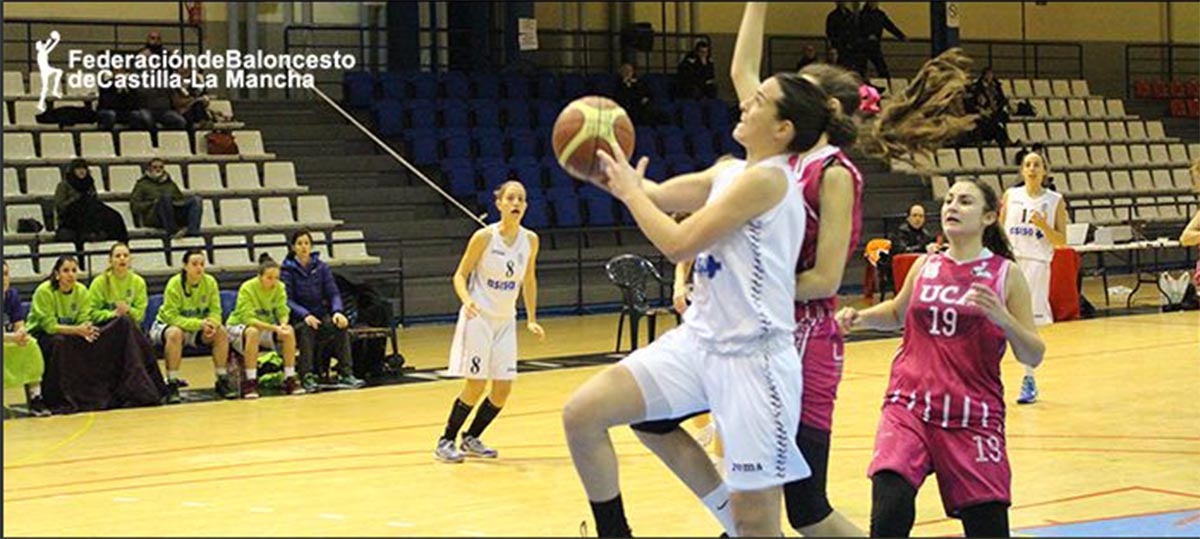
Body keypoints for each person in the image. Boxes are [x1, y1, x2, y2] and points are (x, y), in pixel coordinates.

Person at [611, 5, 981, 537]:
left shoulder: (832, 172)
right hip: (748, 337)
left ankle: (739, 524)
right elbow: (742, 71)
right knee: (655, 420)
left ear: (817, 109)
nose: (764, 95)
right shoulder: (776, 159)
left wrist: (745, 292)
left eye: (787, 92)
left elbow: (825, 279)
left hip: (801, 341)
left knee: (807, 510)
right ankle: (735, 523)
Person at [563, 4, 848, 528]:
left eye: (758, 101)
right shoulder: (728, 170)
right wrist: (605, 166)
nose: (744, 103)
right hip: (698, 343)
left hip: (754, 363)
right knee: (582, 414)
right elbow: (655, 192)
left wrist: (630, 192)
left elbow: (676, 242)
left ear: (783, 129)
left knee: (760, 524)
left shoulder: (773, 181)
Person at [836, 177, 1045, 538]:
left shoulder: (1005, 275)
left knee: (989, 529)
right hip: (910, 405)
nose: (951, 206)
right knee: (889, 511)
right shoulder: (924, 266)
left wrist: (1003, 318)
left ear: (988, 217)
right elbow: (898, 314)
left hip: (972, 415)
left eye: (965, 201)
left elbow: (1033, 353)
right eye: (949, 200)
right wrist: (859, 318)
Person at [435, 181, 545, 463]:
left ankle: (471, 437)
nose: (516, 203)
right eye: (510, 198)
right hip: (479, 318)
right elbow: (459, 275)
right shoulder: (484, 237)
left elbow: (529, 279)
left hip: (506, 320)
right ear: (499, 204)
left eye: (521, 198)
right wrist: (467, 300)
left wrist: (531, 318)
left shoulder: (530, 240)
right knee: (475, 384)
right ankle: (446, 440)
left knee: (503, 388)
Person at [26, 256, 165, 414]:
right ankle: (55, 397)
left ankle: (89, 393)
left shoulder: (82, 291)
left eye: (73, 270)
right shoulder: (45, 291)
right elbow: (49, 327)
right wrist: (79, 330)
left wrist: (86, 330)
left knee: (91, 341)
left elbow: (84, 319)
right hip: (41, 335)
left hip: (71, 332)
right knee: (59, 342)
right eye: (65, 271)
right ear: (57, 274)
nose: (70, 275)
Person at [1000, 150, 1066, 405]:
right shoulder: (1011, 196)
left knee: (1028, 325)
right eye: (1027, 164)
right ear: (1022, 170)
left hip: (1038, 265)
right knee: (996, 320)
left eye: (1037, 164)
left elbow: (1062, 241)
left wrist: (1044, 227)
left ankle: (1029, 379)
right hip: (1012, 264)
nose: (1032, 168)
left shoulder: (1055, 200)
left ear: (1044, 171)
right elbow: (999, 231)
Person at [280, 230, 363, 392]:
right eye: (299, 243)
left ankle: (346, 373)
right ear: (293, 247)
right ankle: (307, 375)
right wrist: (305, 315)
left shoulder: (321, 267)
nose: (303, 247)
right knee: (307, 329)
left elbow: (333, 293)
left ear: (311, 246)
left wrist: (338, 311)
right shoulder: (287, 270)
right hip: (299, 318)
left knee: (340, 325)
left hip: (320, 314)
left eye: (306, 243)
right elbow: (287, 300)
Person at [151, 249, 236, 400]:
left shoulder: (210, 282)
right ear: (185, 266)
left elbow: (216, 311)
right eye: (194, 264)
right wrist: (199, 323)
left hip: (198, 328)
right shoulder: (174, 283)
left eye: (202, 264)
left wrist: (212, 324)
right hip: (165, 326)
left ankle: (222, 379)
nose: (199, 268)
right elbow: (171, 317)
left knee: (221, 331)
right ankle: (172, 382)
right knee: (175, 333)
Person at [226, 254, 304, 399]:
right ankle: (250, 381)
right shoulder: (247, 288)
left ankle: (290, 378)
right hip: (238, 326)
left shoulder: (280, 287)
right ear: (259, 276)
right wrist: (275, 328)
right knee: (253, 332)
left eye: (276, 278)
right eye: (269, 278)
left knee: (289, 332)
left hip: (265, 327)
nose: (273, 282)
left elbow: (283, 310)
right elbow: (248, 319)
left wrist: (283, 324)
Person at [3, 261, 50, 417]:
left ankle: (36, 397)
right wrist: (13, 337)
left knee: (31, 344)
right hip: (7, 340)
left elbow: (19, 324)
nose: (3, 279)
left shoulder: (12, 295)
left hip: (8, 341)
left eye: (5, 274)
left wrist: (21, 333)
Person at [54, 158, 129, 246]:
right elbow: (60, 206)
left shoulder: (89, 183)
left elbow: (95, 201)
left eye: (84, 168)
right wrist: (77, 199)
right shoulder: (64, 185)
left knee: (114, 216)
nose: (81, 171)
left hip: (89, 215)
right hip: (71, 218)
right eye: (78, 169)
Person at [130, 158, 203, 238]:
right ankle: (173, 232)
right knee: (165, 198)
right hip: (154, 216)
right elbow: (135, 206)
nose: (158, 169)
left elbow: (180, 200)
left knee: (196, 200)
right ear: (149, 169)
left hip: (173, 211)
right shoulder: (142, 185)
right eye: (155, 167)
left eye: (161, 167)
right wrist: (153, 203)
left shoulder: (170, 184)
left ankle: (192, 233)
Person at [857, 1, 907, 78]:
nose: (874, 3)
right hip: (863, 45)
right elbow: (856, 29)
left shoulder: (880, 15)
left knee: (882, 68)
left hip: (875, 45)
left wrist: (901, 36)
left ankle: (886, 83)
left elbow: (890, 26)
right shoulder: (861, 15)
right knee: (861, 68)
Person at [825, 2, 859, 72]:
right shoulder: (833, 16)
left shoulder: (850, 15)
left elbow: (855, 29)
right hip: (838, 44)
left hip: (849, 45)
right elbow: (830, 32)